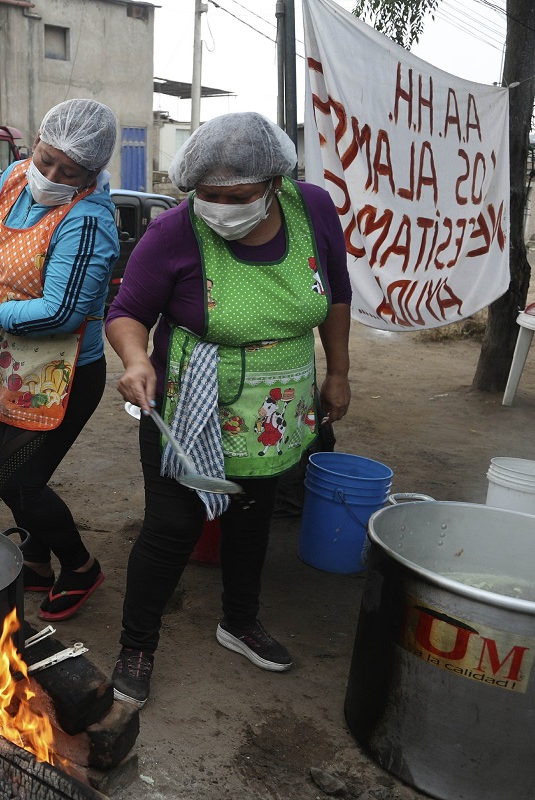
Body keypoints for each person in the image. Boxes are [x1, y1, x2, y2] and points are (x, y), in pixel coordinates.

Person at [104, 111, 351, 707]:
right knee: (171, 528)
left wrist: (339, 371)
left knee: (252, 515)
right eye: (207, 196)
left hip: (275, 408)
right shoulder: (174, 233)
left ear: (272, 184)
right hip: (192, 401)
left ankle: (239, 620)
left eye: (236, 196)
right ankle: (137, 646)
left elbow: (337, 292)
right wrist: (137, 360)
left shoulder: (312, 208)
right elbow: (127, 313)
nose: (219, 207)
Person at [0, 99, 120, 622]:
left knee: (18, 483)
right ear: (34, 145)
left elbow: (62, 313)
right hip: (9, 362)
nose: (50, 177)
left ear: (91, 173)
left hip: (61, 375)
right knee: (13, 470)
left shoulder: (89, 221)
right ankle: (38, 561)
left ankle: (80, 566)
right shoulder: (17, 177)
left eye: (70, 172)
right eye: (45, 160)